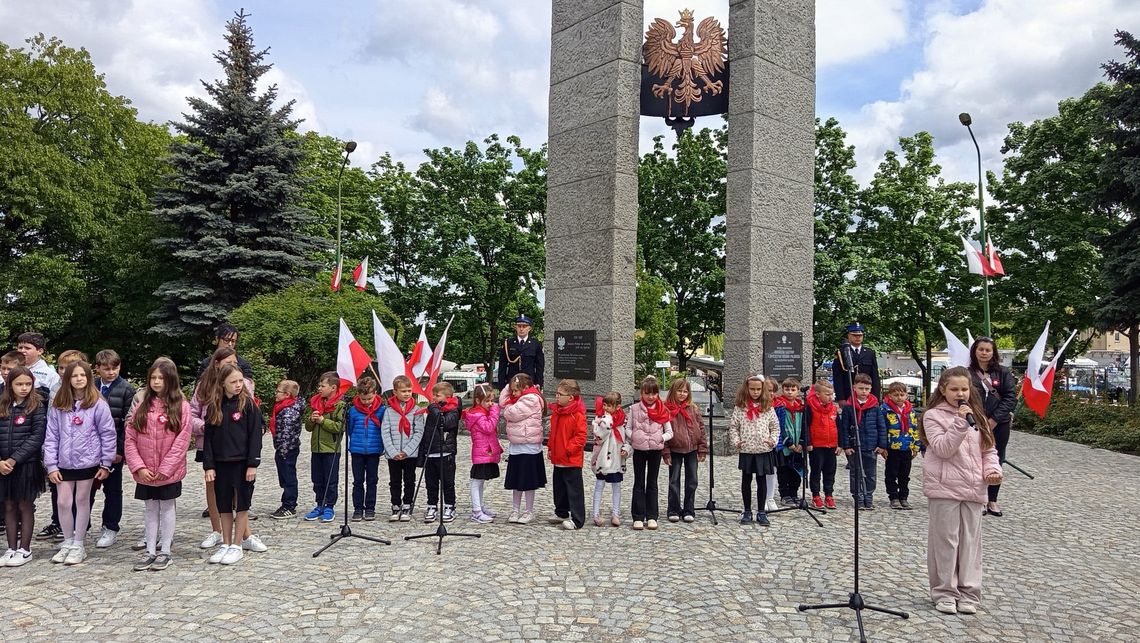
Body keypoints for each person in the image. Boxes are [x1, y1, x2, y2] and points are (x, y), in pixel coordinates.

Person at [920, 366, 1002, 615]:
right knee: (946, 542)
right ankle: (944, 592)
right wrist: (959, 423)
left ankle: (969, 592)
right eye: (954, 389)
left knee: (970, 544)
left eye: (964, 389)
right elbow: (943, 448)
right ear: (943, 390)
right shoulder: (933, 416)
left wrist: (993, 469)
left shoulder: (976, 415)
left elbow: (988, 449)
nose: (960, 393)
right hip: (944, 488)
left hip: (974, 487)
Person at [43, 361, 116, 565]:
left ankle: (78, 543)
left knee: (82, 501)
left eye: (82, 375)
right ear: (68, 379)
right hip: (63, 463)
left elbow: (107, 434)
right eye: (74, 376)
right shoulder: (59, 404)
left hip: (87, 461)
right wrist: (51, 465)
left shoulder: (98, 404)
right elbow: (51, 436)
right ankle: (67, 541)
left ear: (88, 378)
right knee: (63, 502)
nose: (78, 379)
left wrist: (105, 463)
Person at [124, 358, 192, 571]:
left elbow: (182, 440)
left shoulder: (181, 406)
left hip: (167, 471)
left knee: (167, 507)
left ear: (170, 379)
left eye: (160, 378)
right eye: (152, 378)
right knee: (150, 508)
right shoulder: (142, 406)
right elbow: (130, 438)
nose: (156, 382)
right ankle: (150, 550)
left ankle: (166, 551)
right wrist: (139, 467)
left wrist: (165, 469)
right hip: (145, 470)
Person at [190, 348, 261, 551]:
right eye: (233, 382)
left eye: (240, 381)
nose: (238, 385)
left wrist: (252, 463)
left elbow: (254, 434)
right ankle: (222, 538)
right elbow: (202, 425)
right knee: (222, 500)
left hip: (241, 459)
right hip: (218, 458)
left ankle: (240, 541)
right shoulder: (211, 399)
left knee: (241, 501)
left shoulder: (247, 402)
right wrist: (208, 465)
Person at [0, 366, 47, 566]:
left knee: (24, 505)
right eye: (19, 384)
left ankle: (25, 549)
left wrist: (14, 459)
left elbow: (37, 437)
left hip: (25, 465)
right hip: (3, 466)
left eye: (28, 384)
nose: (24, 388)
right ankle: (10, 548)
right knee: (8, 505)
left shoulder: (36, 405)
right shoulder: (3, 405)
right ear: (10, 384)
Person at [91, 349, 136, 549]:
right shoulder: (91, 386)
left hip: (113, 449)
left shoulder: (126, 389)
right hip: (90, 450)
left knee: (113, 490)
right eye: (106, 369)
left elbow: (128, 423)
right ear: (98, 368)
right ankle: (80, 526)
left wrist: (120, 451)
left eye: (115, 368)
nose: (111, 372)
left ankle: (110, 527)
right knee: (87, 491)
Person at [967, 337, 1017, 517]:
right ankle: (978, 498)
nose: (984, 353)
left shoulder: (1003, 373)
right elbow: (965, 398)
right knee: (975, 458)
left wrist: (995, 419)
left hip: (999, 424)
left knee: (996, 458)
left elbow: (1010, 397)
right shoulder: (967, 373)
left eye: (988, 350)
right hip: (974, 423)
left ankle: (992, 499)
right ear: (975, 351)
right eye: (981, 349)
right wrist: (977, 418)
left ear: (993, 352)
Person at [728, 374, 780, 526]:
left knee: (762, 480)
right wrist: (737, 441)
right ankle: (747, 510)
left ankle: (761, 512)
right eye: (752, 389)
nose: (755, 392)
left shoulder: (768, 407)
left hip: (763, 449)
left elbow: (775, 427)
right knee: (746, 480)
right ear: (747, 389)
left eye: (758, 389)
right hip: (747, 449)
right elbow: (734, 427)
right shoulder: (740, 407)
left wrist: (772, 440)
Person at [500, 373, 546, 524]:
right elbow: (502, 402)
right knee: (516, 481)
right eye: (511, 390)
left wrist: (507, 406)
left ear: (526, 388)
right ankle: (515, 509)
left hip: (529, 445)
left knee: (528, 481)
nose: (512, 393)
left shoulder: (531, 399)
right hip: (517, 445)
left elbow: (511, 413)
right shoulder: (517, 399)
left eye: (515, 390)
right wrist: (509, 385)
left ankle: (529, 510)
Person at [627, 376, 672, 531]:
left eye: (653, 394)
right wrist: (633, 436)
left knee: (652, 483)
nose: (651, 397)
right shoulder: (634, 409)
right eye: (647, 393)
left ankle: (652, 516)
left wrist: (661, 438)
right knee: (639, 482)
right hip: (639, 449)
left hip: (655, 450)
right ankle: (638, 516)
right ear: (642, 393)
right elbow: (628, 427)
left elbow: (669, 431)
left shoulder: (663, 410)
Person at [838, 373, 888, 510]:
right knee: (856, 473)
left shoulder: (875, 406)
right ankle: (858, 497)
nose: (863, 392)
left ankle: (868, 497)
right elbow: (844, 428)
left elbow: (881, 426)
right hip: (855, 446)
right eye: (861, 388)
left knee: (870, 474)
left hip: (871, 446)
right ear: (854, 387)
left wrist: (882, 445)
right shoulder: (849, 406)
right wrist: (846, 446)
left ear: (871, 389)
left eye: (866, 389)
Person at [303, 371, 346, 524]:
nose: (319, 388)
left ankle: (329, 506)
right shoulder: (316, 403)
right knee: (317, 479)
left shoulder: (340, 405)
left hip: (331, 449)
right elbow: (308, 428)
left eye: (323, 386)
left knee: (330, 479)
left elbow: (340, 427)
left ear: (333, 387)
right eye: (319, 385)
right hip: (317, 448)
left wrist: (323, 421)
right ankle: (319, 504)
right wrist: (312, 419)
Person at [663, 378, 706, 523]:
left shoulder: (693, 409)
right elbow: (662, 430)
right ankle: (673, 509)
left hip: (692, 449)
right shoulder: (666, 409)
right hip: (674, 448)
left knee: (692, 480)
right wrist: (666, 451)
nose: (682, 394)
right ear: (673, 392)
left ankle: (689, 509)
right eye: (679, 391)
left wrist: (702, 448)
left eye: (685, 391)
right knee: (674, 480)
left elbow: (701, 428)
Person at [381, 375, 423, 522]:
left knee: (409, 480)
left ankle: (407, 504)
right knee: (395, 481)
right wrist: (393, 452)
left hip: (409, 454)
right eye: (403, 391)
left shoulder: (416, 410)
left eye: (409, 391)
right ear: (395, 392)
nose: (406, 394)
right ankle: (395, 504)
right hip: (393, 455)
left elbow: (419, 432)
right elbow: (385, 432)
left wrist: (406, 451)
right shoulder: (388, 411)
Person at [547, 379, 587, 530]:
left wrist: (568, 449)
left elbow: (580, 436)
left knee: (574, 490)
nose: (557, 397)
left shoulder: (577, 414)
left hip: (571, 458)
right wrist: (551, 447)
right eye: (556, 394)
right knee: (559, 487)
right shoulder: (557, 412)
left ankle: (577, 519)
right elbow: (553, 433)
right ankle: (561, 512)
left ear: (570, 397)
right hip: (559, 456)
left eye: (560, 394)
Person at [420, 382, 461, 523]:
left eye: (437, 396)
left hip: (445, 453)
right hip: (431, 452)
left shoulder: (453, 410)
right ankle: (432, 505)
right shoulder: (432, 410)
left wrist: (434, 409)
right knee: (431, 483)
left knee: (447, 483)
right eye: (434, 395)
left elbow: (444, 423)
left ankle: (449, 506)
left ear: (448, 397)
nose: (434, 398)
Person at [346, 376, 384, 522]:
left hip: (374, 450)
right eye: (363, 399)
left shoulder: (381, 410)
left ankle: (370, 508)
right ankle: (357, 508)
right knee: (358, 480)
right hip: (357, 450)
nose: (367, 402)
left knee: (372, 480)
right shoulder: (353, 411)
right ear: (358, 396)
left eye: (369, 399)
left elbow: (382, 428)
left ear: (375, 393)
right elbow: (350, 429)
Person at [463, 383, 502, 523]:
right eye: (487, 401)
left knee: (481, 481)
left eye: (492, 400)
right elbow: (489, 427)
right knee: (476, 481)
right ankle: (476, 511)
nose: (491, 404)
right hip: (481, 453)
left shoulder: (483, 413)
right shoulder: (478, 415)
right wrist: (495, 411)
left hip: (486, 452)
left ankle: (480, 507)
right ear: (478, 401)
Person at [590, 393, 629, 527]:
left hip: (617, 458)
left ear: (617, 407)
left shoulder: (623, 420)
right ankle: (595, 514)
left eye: (609, 406)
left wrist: (627, 449)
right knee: (599, 485)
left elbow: (628, 437)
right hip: (602, 458)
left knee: (616, 486)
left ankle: (616, 513)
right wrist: (606, 421)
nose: (605, 408)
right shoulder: (601, 419)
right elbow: (599, 435)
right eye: (604, 405)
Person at [882, 381, 921, 510]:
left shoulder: (911, 411)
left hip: (906, 447)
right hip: (892, 448)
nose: (899, 397)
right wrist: (883, 446)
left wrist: (916, 446)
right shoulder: (885, 410)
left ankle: (903, 497)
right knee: (891, 474)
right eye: (896, 395)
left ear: (906, 396)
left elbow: (914, 429)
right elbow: (883, 429)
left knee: (905, 475)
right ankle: (893, 497)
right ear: (890, 396)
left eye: (902, 394)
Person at [269, 379, 305, 519]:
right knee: (284, 476)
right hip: (282, 448)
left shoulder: (290, 410)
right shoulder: (282, 407)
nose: (275, 393)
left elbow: (287, 433)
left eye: (278, 391)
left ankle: (290, 505)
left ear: (287, 394)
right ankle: (286, 502)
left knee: (289, 477)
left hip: (287, 449)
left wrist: (282, 451)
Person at [805, 380, 841, 510]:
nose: (830, 397)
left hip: (831, 445)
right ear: (818, 394)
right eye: (827, 394)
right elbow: (806, 425)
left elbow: (839, 426)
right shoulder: (810, 407)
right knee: (816, 471)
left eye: (831, 394)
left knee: (830, 471)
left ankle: (829, 495)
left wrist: (840, 444)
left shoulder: (834, 408)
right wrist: (808, 442)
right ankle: (816, 495)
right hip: (816, 445)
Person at [775, 378, 809, 506]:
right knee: (783, 472)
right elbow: (779, 426)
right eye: (787, 389)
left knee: (796, 471)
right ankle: (785, 495)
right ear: (782, 390)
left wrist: (801, 442)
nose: (790, 392)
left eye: (793, 390)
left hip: (798, 446)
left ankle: (794, 493)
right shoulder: (779, 406)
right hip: (784, 446)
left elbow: (806, 426)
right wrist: (789, 443)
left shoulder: (801, 407)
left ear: (798, 391)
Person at [833, 322, 881, 403]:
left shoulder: (870, 353)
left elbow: (875, 377)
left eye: (860, 335)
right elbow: (838, 377)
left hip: (866, 395)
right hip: (848, 395)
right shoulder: (841, 352)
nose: (858, 338)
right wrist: (841, 398)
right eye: (854, 335)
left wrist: (875, 397)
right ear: (848, 335)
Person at [496, 315, 545, 390]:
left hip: (529, 384)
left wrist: (538, 384)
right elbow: (502, 367)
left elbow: (539, 367)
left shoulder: (535, 344)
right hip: (512, 383)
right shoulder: (508, 343)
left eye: (524, 326)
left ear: (529, 328)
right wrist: (501, 386)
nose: (521, 329)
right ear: (516, 327)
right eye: (519, 326)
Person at [15, 332, 60, 397]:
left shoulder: (51, 375)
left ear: (40, 351)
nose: (22, 351)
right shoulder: (10, 369)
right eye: (20, 347)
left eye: (27, 348)